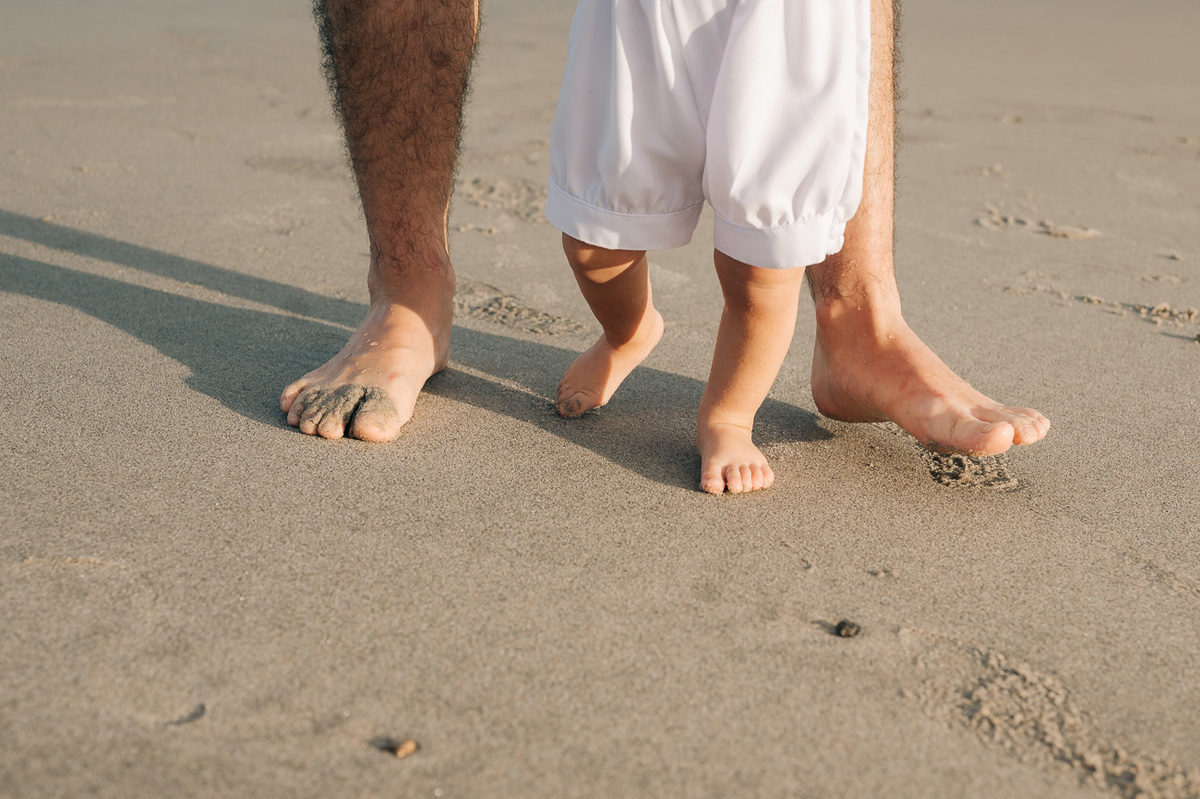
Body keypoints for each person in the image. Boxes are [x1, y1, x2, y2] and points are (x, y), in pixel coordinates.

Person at [280, 0, 1050, 491]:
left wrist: (730, 425)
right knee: (595, 235)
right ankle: (628, 331)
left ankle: (729, 416)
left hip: (790, 23)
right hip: (643, 19)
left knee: (763, 260)